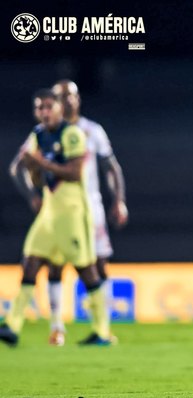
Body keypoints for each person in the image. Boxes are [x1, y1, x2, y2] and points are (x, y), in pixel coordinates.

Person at [9, 80, 128, 346]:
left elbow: (108, 168)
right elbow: (23, 169)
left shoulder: (87, 131)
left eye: (69, 96)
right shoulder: (40, 134)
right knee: (43, 264)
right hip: (55, 209)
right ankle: (50, 326)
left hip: (85, 207)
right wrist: (33, 189)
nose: (67, 101)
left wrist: (118, 200)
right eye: (60, 97)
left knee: (94, 266)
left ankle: (102, 329)